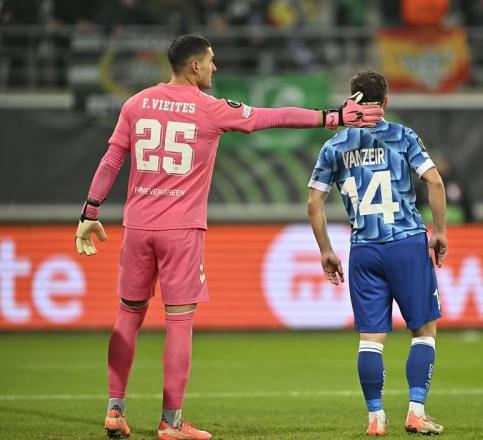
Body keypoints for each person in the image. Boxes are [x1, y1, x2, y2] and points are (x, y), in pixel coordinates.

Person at [74, 34, 383, 440]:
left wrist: (90, 211)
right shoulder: (209, 109)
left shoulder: (137, 103)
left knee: (128, 316)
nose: (215, 68)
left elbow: (113, 157)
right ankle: (171, 422)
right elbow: (271, 117)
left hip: (137, 227)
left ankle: (115, 411)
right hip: (181, 231)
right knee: (178, 324)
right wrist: (334, 117)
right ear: (194, 67)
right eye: (211, 61)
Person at [307, 69, 447, 436]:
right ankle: (416, 411)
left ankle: (375, 418)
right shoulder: (402, 136)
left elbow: (314, 203)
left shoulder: (334, 145)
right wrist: (441, 231)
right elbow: (433, 179)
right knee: (423, 330)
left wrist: (326, 250)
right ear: (385, 102)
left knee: (371, 337)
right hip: (406, 242)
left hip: (364, 248)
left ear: (352, 100)